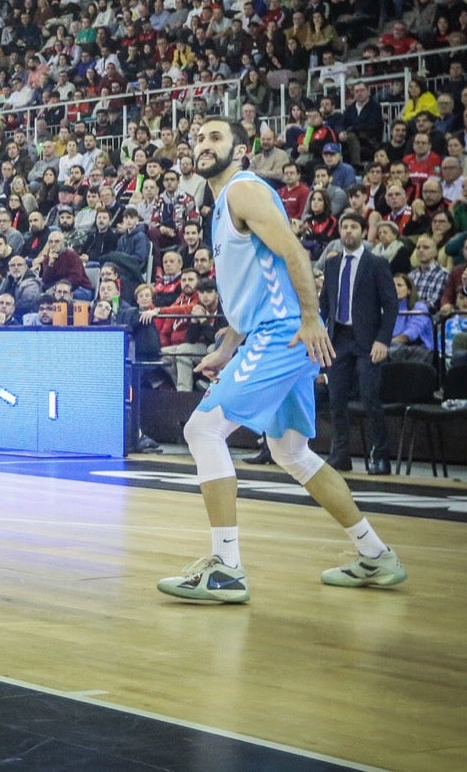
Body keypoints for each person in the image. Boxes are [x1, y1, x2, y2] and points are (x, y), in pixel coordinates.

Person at [157, 118, 407, 605]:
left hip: (281, 336)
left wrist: (312, 319)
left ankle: (226, 568)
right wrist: (228, 346)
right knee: (291, 452)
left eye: (215, 137)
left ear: (242, 150)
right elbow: (250, 285)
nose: (203, 145)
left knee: (201, 431)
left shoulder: (244, 191)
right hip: (268, 334)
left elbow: (293, 250)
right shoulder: (219, 203)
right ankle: (376, 555)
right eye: (199, 138)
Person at [318, 213, 399, 474]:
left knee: (370, 397)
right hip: (338, 338)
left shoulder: (376, 263)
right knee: (336, 398)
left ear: (364, 233)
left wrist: (383, 340)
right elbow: (325, 305)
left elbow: (391, 305)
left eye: (354, 227)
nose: (348, 231)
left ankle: (380, 454)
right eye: (344, 226)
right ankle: (340, 453)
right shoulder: (331, 265)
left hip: (368, 340)